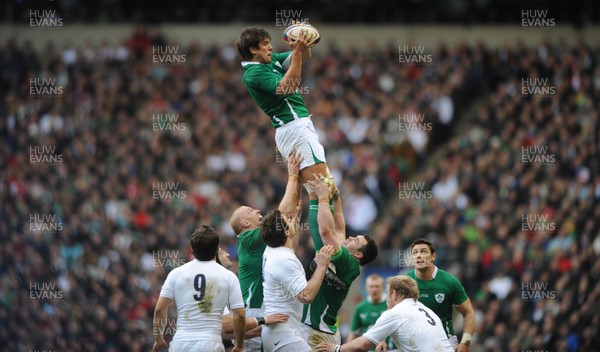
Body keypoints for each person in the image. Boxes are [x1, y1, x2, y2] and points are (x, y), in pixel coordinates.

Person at [237, 25, 336, 210]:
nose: (271, 47)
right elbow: (288, 86)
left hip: (296, 128)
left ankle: (330, 238)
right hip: (294, 129)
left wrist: (302, 43)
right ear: (253, 50)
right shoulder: (253, 73)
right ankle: (326, 240)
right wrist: (297, 53)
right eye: (265, 44)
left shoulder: (268, 62)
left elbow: (304, 57)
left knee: (328, 193)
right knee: (322, 193)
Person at [228, 151, 304, 350]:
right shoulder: (246, 239)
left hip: (268, 307)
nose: (257, 210)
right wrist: (293, 177)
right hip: (254, 309)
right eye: (250, 211)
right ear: (244, 223)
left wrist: (293, 228)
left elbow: (289, 248)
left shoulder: (266, 241)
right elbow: (281, 215)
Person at [300, 174, 379, 348]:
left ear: (358, 255)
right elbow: (340, 227)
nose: (351, 238)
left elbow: (327, 232)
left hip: (318, 333)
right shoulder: (345, 256)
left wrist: (322, 198)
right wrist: (336, 199)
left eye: (356, 241)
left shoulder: (350, 264)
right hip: (315, 328)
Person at [152, 225, 245, 352]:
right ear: (217, 249)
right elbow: (239, 316)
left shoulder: (176, 274)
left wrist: (158, 338)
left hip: (181, 343)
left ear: (192, 251)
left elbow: (159, 309)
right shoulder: (228, 276)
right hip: (210, 344)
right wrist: (239, 345)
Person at [260, 206, 336, 352]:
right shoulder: (284, 260)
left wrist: (294, 222)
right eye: (287, 221)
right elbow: (306, 296)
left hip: (278, 332)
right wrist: (321, 266)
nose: (290, 220)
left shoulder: (271, 250)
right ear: (286, 232)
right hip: (283, 333)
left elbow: (289, 243)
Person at [316, 275, 453, 352]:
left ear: (394, 294)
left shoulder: (396, 312)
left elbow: (363, 344)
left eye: (387, 293)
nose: (386, 298)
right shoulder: (425, 309)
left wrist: (337, 349)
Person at [406, 238, 475, 351]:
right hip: (415, 344)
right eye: (415, 253)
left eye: (423, 251)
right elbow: (391, 311)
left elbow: (468, 312)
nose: (419, 255)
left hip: (444, 342)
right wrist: (383, 339)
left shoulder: (449, 282)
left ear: (433, 256)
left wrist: (465, 342)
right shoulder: (405, 282)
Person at [216, 247, 290, 344]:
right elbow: (226, 327)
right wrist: (263, 320)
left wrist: (259, 331)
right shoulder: (217, 286)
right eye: (222, 253)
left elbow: (224, 332)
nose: (227, 254)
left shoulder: (223, 282)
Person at [348, 274, 397, 352]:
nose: (374, 289)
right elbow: (354, 333)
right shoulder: (360, 308)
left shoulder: (392, 304)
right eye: (371, 286)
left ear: (383, 287)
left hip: (391, 349)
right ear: (366, 288)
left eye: (377, 286)